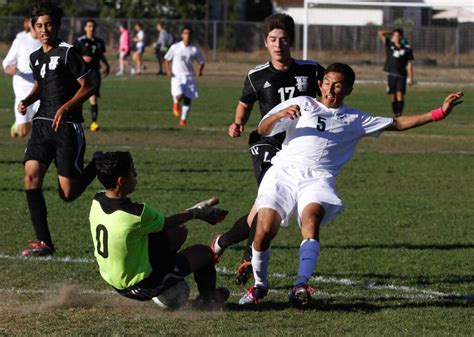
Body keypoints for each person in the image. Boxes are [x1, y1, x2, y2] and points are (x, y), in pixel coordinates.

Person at [237, 62, 463, 306]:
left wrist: (439, 112)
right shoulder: (303, 103)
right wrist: (280, 115)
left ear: (349, 90)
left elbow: (396, 123)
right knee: (263, 231)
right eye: (326, 83)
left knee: (311, 220)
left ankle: (300, 285)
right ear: (320, 84)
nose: (330, 89)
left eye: (337, 85)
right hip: (283, 172)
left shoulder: (355, 118)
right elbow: (262, 129)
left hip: (318, 178)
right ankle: (260, 286)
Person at [209, 13, 324, 286]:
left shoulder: (311, 70)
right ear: (266, 42)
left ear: (291, 41)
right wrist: (237, 123)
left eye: (283, 39)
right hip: (265, 142)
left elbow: (328, 93)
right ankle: (250, 257)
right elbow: (244, 103)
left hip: (297, 146)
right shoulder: (256, 75)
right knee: (269, 198)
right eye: (273, 39)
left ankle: (221, 241)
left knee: (257, 212)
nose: (278, 44)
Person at [89, 151, 230, 307]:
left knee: (179, 231)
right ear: (121, 181)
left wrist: (194, 212)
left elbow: (171, 224)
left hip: (113, 276)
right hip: (140, 286)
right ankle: (208, 300)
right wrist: (197, 213)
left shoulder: (98, 198)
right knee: (204, 252)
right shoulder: (136, 214)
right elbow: (169, 221)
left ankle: (169, 274)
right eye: (132, 171)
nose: (136, 174)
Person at [18, 2, 97, 256]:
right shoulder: (35, 57)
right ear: (33, 27)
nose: (44, 30)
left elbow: (89, 85)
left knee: (68, 194)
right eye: (39, 25)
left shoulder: (67, 52)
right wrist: (27, 101)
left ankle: (97, 163)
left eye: (49, 24)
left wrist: (66, 107)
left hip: (67, 127)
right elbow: (42, 85)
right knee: (30, 177)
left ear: (58, 26)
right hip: (42, 125)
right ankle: (44, 243)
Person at [2, 16, 41, 138]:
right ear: (30, 24)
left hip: (40, 90)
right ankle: (19, 124)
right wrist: (10, 69)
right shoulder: (20, 40)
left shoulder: (45, 41)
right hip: (22, 91)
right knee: (22, 132)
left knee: (40, 124)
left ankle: (35, 150)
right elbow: (6, 63)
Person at [164, 26, 205, 126]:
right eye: (185, 33)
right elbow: (166, 59)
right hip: (176, 76)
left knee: (187, 99)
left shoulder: (194, 49)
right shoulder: (175, 47)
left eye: (189, 33)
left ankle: (183, 120)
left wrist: (200, 71)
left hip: (189, 76)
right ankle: (176, 102)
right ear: (182, 35)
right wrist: (168, 71)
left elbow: (201, 61)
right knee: (179, 95)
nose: (187, 35)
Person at [75, 19, 110, 132]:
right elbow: (73, 56)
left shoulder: (99, 42)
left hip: (94, 73)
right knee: (77, 97)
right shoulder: (80, 41)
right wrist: (82, 58)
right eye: (89, 26)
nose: (92, 28)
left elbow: (101, 55)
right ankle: (75, 120)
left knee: (93, 97)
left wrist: (107, 65)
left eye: (93, 26)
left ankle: (94, 123)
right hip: (82, 73)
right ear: (85, 28)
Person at [378, 28, 415, 117]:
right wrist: (392, 31)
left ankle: (399, 114)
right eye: (395, 36)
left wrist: (410, 78)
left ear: (401, 37)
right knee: (393, 95)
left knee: (400, 94)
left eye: (398, 35)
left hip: (401, 75)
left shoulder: (407, 49)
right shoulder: (389, 44)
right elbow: (381, 33)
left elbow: (409, 64)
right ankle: (395, 112)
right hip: (391, 74)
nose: (396, 37)